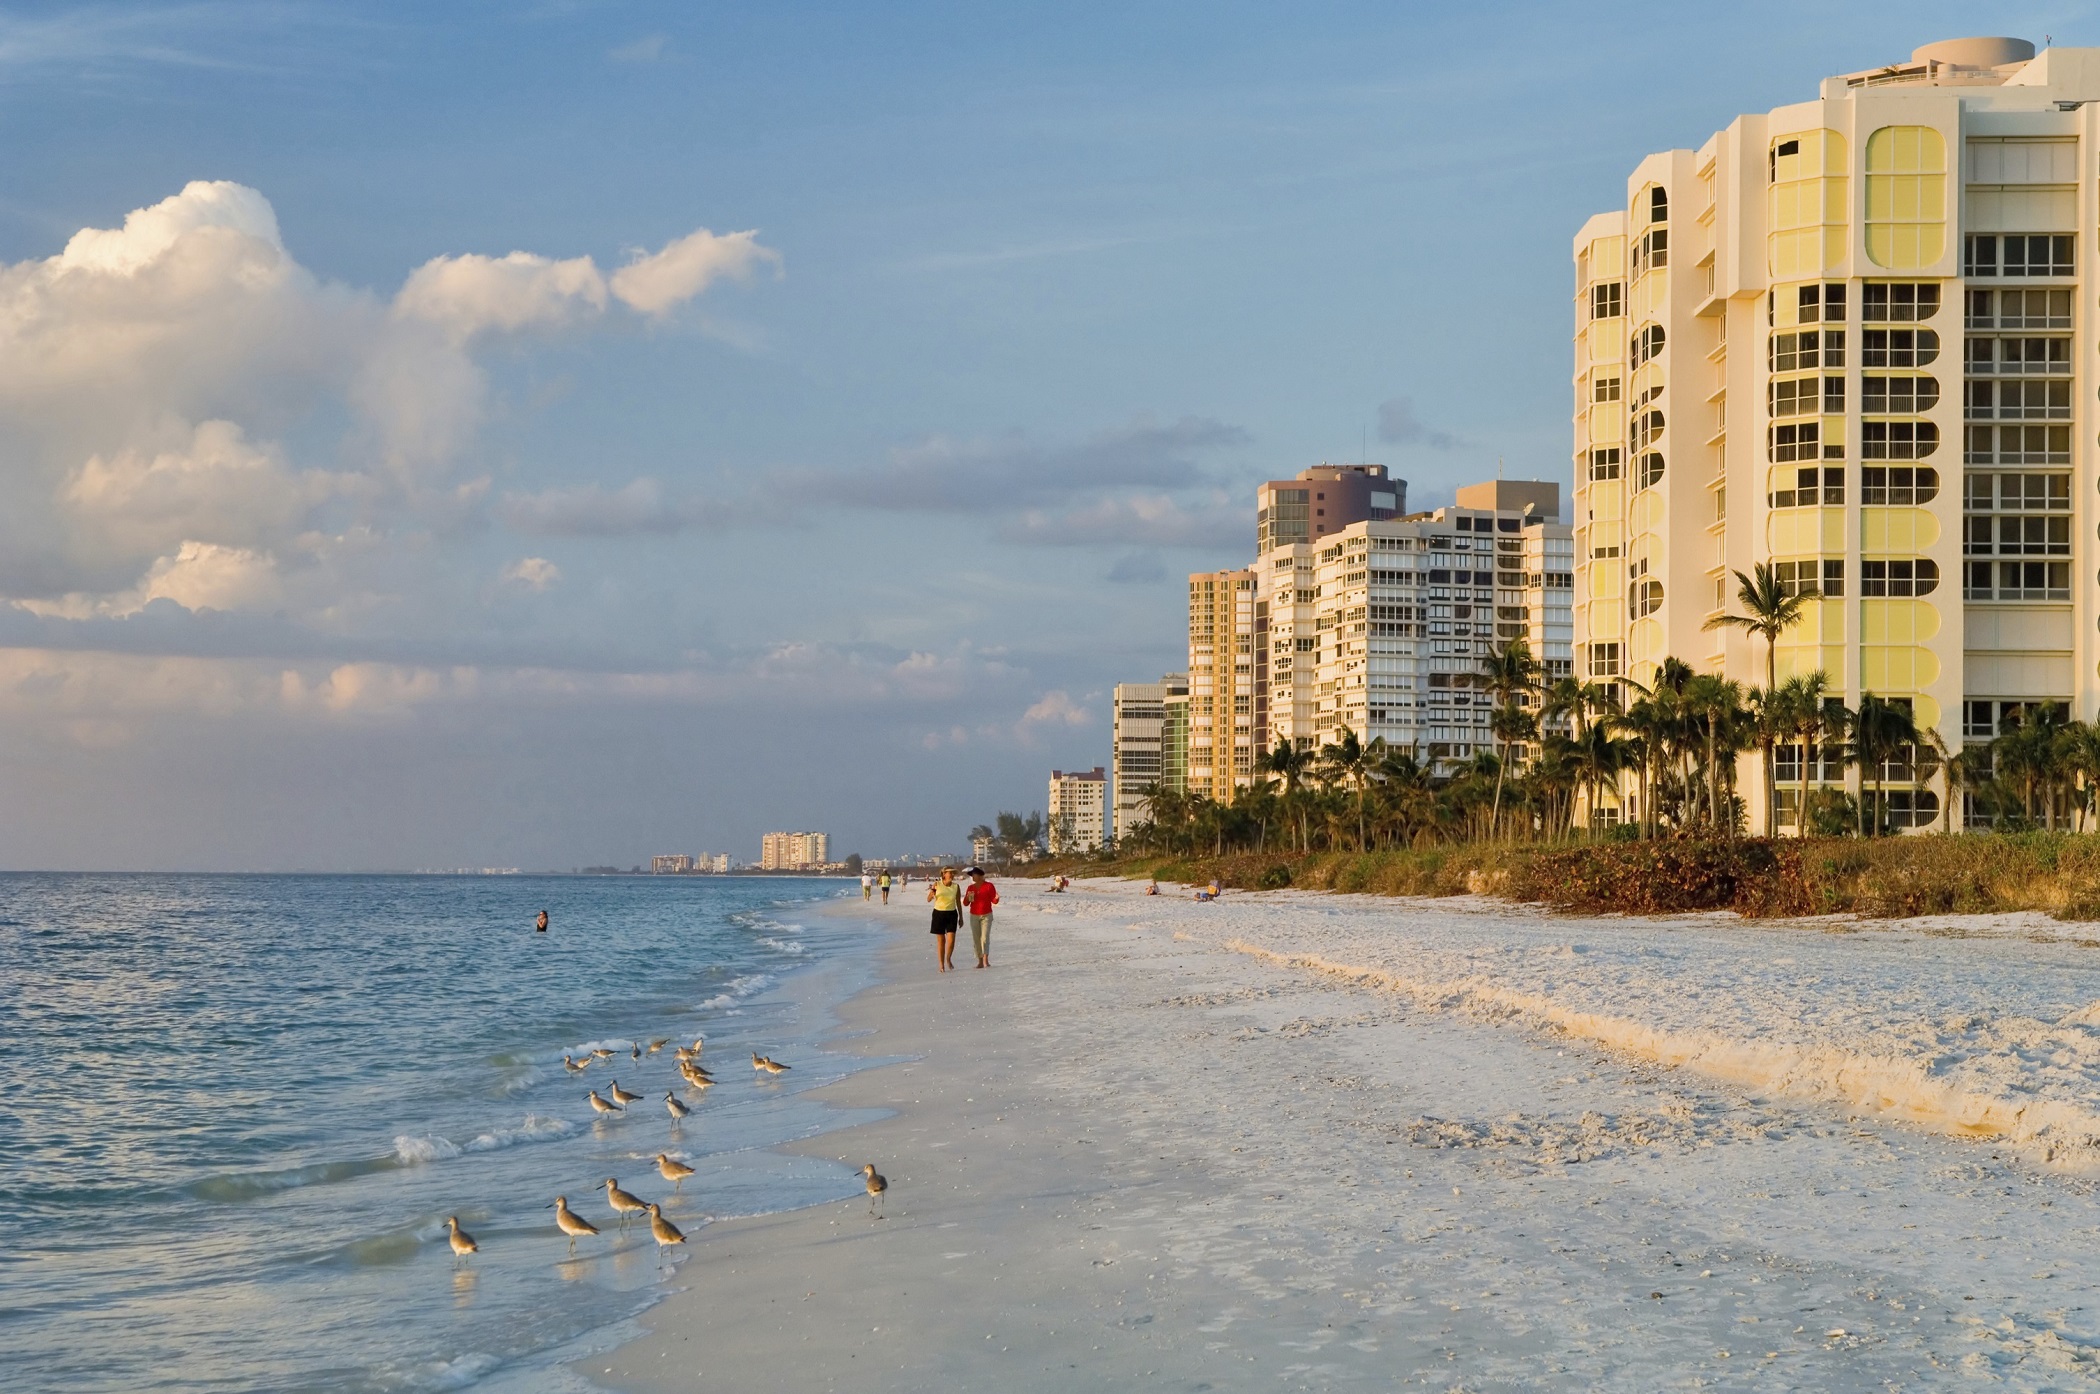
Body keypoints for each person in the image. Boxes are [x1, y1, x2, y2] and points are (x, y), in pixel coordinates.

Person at [925, 867, 961, 972]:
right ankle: (941, 964)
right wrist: (932, 893)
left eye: (953, 873)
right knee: (941, 941)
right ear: (944, 874)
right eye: (950, 873)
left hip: (952, 914)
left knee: (951, 940)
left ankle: (948, 958)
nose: (952, 875)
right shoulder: (937, 884)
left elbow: (958, 902)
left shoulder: (956, 886)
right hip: (938, 914)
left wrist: (961, 917)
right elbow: (928, 899)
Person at [962, 867, 999, 969]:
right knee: (976, 938)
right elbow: (965, 903)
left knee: (984, 937)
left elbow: (993, 900)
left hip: (986, 915)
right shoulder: (971, 888)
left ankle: (985, 959)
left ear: (980, 875)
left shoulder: (989, 886)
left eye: (974, 875)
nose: (972, 877)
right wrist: (968, 897)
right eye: (972, 875)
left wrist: (997, 899)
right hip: (974, 915)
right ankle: (980, 961)